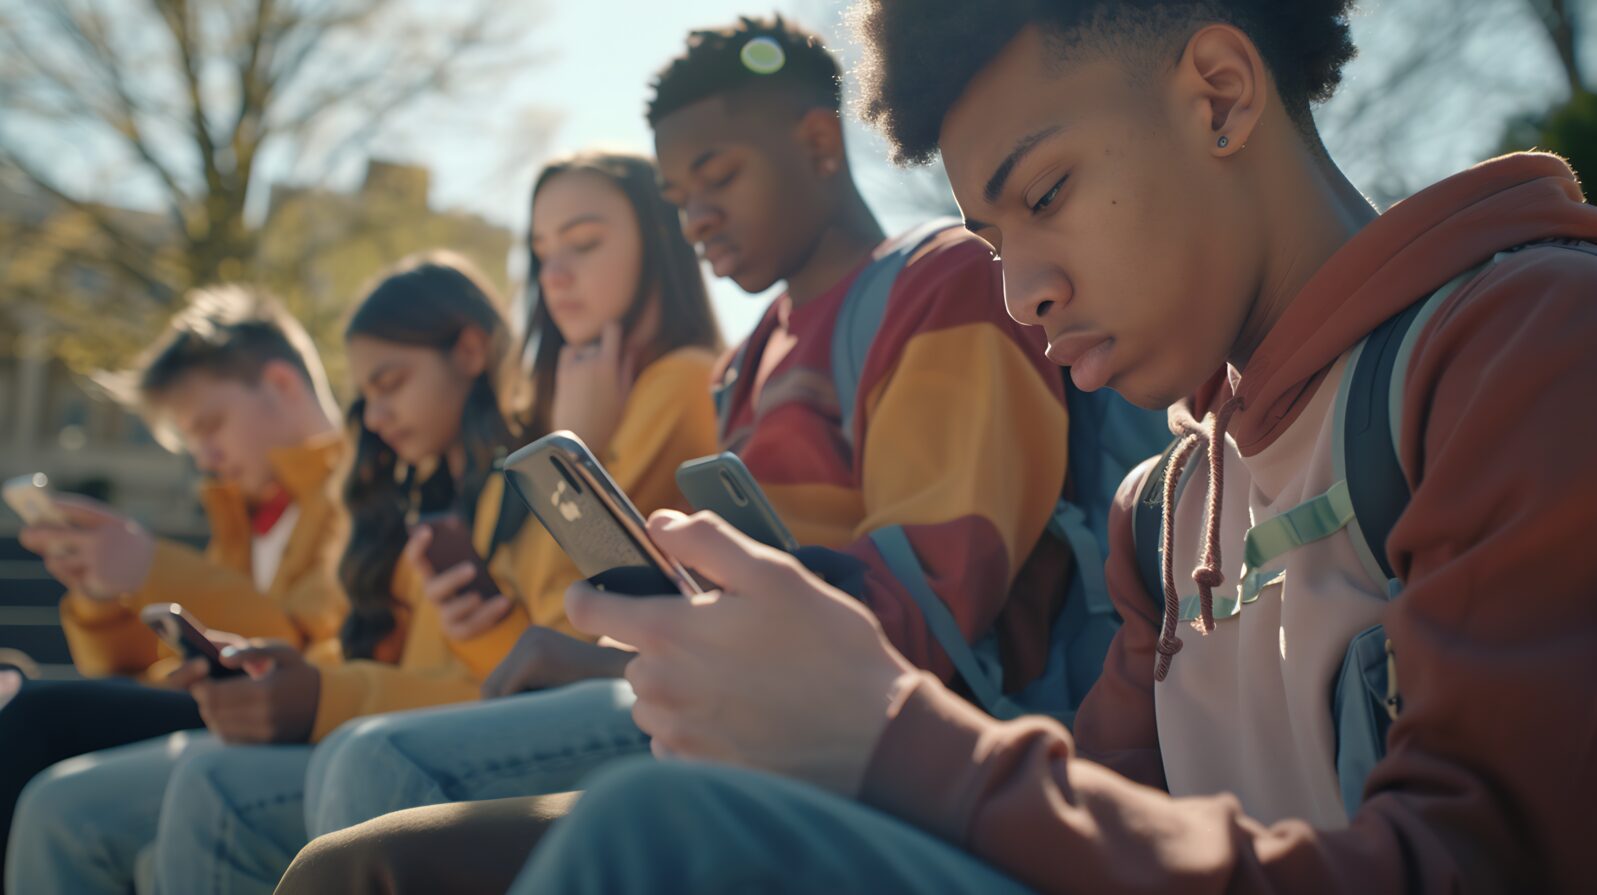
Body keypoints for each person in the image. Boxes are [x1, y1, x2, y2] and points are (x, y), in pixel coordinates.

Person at [504, 1, 1597, 893]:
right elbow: (1088, 831)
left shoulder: (1527, 345)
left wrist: (891, 732)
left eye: (1047, 194)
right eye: (991, 240)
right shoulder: (1159, 510)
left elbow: (1475, 864)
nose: (1022, 293)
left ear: (1217, 95)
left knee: (651, 832)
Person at [273, 17, 1078, 894]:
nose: (694, 218)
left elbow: (923, 618)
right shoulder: (747, 361)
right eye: (676, 195)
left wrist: (625, 656)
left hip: (885, 744)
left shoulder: (943, 282)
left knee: (380, 774)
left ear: (816, 142)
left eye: (717, 177)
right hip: (736, 708)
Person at [150, 152, 721, 895]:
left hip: (645, 698)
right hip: (573, 690)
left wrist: (587, 445)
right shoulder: (476, 469)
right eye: (541, 253)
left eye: (583, 242)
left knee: (350, 762)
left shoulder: (672, 384)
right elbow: (514, 651)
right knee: (210, 781)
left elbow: (581, 621)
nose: (554, 275)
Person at [0, 285, 347, 890]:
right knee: (27, 709)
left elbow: (291, 648)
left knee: (34, 718)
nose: (206, 457)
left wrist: (149, 568)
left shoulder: (355, 494)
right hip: (220, 715)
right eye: (190, 440)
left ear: (282, 385)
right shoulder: (241, 513)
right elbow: (148, 673)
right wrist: (104, 596)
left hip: (292, 722)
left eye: (211, 425)